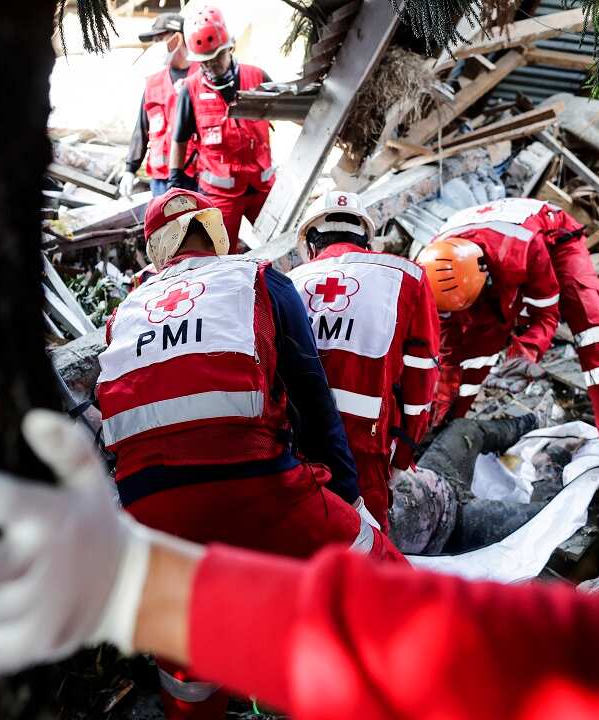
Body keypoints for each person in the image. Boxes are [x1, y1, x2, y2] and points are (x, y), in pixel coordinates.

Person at [0, 409, 599, 720]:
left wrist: (157, 593)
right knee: (445, 510)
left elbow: (559, 668)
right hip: (358, 493)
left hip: (295, 497)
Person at [94, 187, 399, 717]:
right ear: (215, 231)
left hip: (149, 512)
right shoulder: (256, 279)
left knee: (185, 666)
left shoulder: (125, 312)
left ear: (156, 250)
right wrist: (352, 499)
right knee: (386, 579)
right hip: (260, 485)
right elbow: (314, 398)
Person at [419, 198, 599, 463]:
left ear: (485, 275)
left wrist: (523, 355)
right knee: (477, 343)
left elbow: (545, 316)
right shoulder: (429, 273)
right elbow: (448, 351)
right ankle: (446, 423)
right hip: (481, 255)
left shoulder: (520, 251)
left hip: (552, 238)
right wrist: (437, 406)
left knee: (590, 321)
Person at [285, 191, 440, 530]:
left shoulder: (289, 284)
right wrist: (403, 457)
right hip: (366, 447)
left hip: (297, 444)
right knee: (367, 547)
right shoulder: (408, 277)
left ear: (311, 243)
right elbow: (421, 376)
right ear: (366, 241)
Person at [168, 5, 274, 252]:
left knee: (281, 242)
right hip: (221, 195)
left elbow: (294, 112)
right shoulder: (191, 89)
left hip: (262, 187)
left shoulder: (257, 77)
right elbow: (180, 138)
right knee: (218, 255)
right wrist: (175, 179)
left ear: (230, 47)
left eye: (217, 58)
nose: (211, 66)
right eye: (205, 62)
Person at [119, 13, 199, 198]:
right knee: (165, 227)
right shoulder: (153, 83)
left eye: (159, 38)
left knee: (198, 227)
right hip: (161, 181)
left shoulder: (203, 77)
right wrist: (130, 169)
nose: (155, 44)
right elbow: (142, 128)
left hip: (196, 176)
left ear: (178, 37)